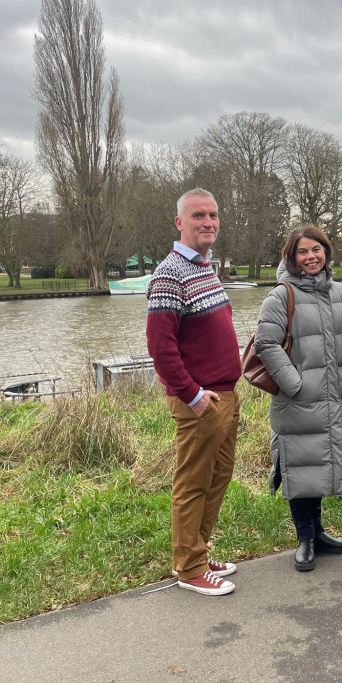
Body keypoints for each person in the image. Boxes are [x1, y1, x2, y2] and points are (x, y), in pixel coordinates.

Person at [146, 188, 241, 596]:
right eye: (198, 215)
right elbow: (160, 349)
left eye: (213, 215)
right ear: (179, 223)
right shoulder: (170, 273)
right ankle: (189, 568)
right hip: (201, 402)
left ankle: (197, 552)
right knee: (193, 482)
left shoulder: (205, 267)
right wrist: (193, 395)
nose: (208, 222)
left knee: (217, 478)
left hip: (225, 395)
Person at [254, 225, 342, 571]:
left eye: (316, 249)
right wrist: (295, 385)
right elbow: (266, 344)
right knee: (300, 465)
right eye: (303, 251)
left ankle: (318, 532)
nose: (311, 256)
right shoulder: (280, 295)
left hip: (335, 396)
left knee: (322, 461)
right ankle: (304, 538)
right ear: (292, 257)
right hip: (298, 400)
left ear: (326, 252)